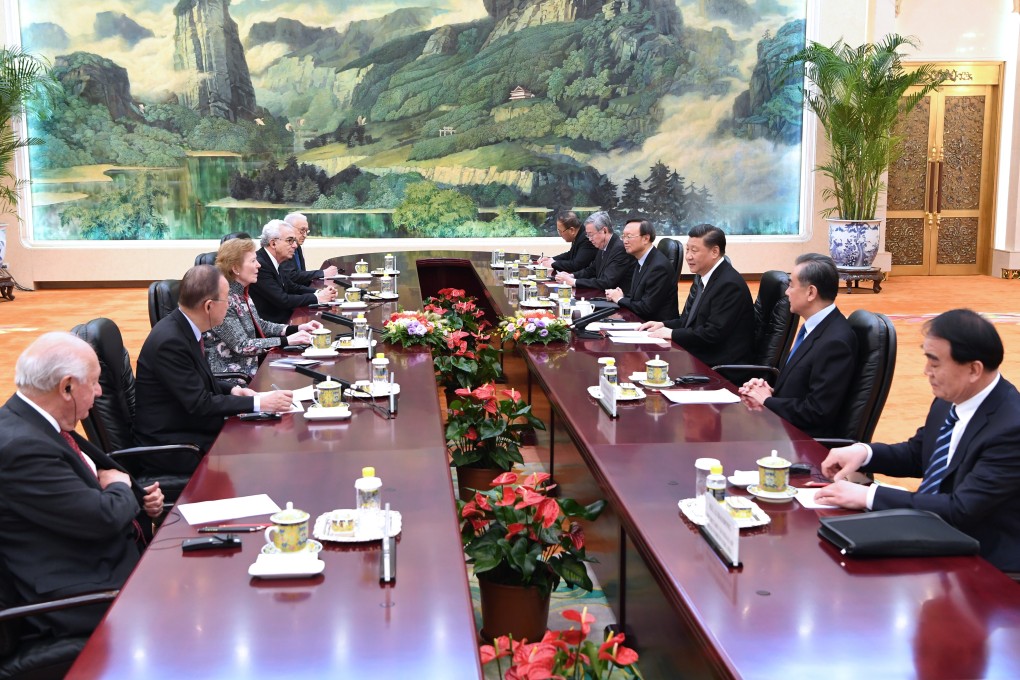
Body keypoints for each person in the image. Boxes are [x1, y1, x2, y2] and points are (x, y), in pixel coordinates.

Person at [816, 309, 1020, 573]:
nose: (926, 372)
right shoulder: (950, 398)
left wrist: (869, 495)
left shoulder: (1011, 428)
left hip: (984, 561)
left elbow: (962, 509)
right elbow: (918, 454)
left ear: (973, 369)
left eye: (935, 363)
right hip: (932, 532)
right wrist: (864, 453)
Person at [0, 332, 163, 636]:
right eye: (94, 382)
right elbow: (102, 518)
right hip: (83, 594)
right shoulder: (20, 448)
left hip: (102, 560)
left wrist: (138, 498)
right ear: (67, 387)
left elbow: (79, 493)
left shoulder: (36, 421)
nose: (99, 392)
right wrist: (121, 488)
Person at [134, 264, 294, 471]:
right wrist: (259, 403)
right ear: (208, 306)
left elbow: (197, 380)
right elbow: (200, 404)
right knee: (259, 457)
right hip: (173, 445)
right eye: (226, 299)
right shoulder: (170, 342)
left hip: (190, 427)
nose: (230, 305)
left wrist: (233, 390)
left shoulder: (184, 327)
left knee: (262, 437)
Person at [738, 253, 856, 437]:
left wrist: (768, 401)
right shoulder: (814, 328)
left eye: (791, 285)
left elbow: (817, 412)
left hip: (801, 442)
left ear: (811, 292)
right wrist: (767, 391)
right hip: (784, 429)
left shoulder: (835, 342)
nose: (787, 292)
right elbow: (801, 388)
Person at [205, 237, 323, 380]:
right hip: (236, 379)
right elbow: (242, 346)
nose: (259, 265)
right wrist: (287, 340)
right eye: (253, 261)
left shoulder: (242, 292)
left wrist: (296, 329)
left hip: (255, 367)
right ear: (235, 268)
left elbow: (259, 325)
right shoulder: (224, 300)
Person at [639, 224, 753, 366]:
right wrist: (662, 324)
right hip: (699, 355)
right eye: (687, 249)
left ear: (715, 252)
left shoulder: (729, 284)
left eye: (694, 251)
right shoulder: (703, 277)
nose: (688, 256)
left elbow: (712, 334)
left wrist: (672, 333)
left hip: (718, 365)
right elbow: (689, 322)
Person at [250, 219, 336, 324]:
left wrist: (319, 292)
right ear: (273, 243)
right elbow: (282, 300)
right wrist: (317, 297)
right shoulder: (260, 265)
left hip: (286, 319)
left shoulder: (277, 259)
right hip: (273, 326)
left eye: (294, 241)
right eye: (290, 240)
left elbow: (292, 287)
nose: (295, 245)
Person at [605, 218, 679, 322]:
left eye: (629, 236)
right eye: (623, 236)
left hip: (655, 326)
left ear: (646, 239)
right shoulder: (641, 259)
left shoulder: (659, 267)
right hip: (639, 319)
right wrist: (620, 296)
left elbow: (646, 308)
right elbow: (637, 296)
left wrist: (620, 299)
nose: (625, 241)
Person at [554, 211, 634, 293]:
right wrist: (571, 276)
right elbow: (592, 270)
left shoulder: (620, 249)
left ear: (604, 231)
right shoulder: (603, 245)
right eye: (587, 235)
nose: (589, 239)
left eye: (591, 235)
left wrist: (573, 282)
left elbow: (606, 282)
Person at [280, 212, 339, 285]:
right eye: (302, 230)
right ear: (289, 228)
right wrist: (322, 273)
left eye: (306, 231)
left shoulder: (298, 247)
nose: (305, 235)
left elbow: (301, 275)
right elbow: (292, 276)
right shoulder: (283, 248)